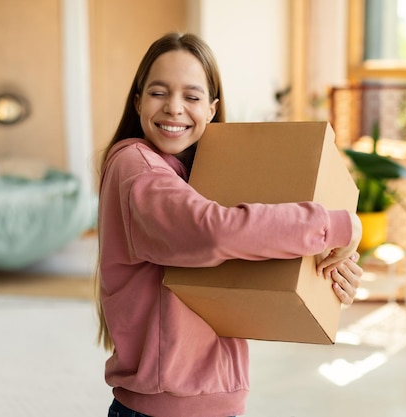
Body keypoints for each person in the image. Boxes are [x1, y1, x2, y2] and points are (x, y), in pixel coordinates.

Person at [96, 32, 363, 417]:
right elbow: (214, 232)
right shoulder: (136, 168)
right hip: (162, 410)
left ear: (212, 109)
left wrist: (329, 277)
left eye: (191, 96)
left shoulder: (204, 176)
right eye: (158, 92)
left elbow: (247, 262)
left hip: (220, 401)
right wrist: (335, 226)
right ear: (137, 101)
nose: (174, 108)